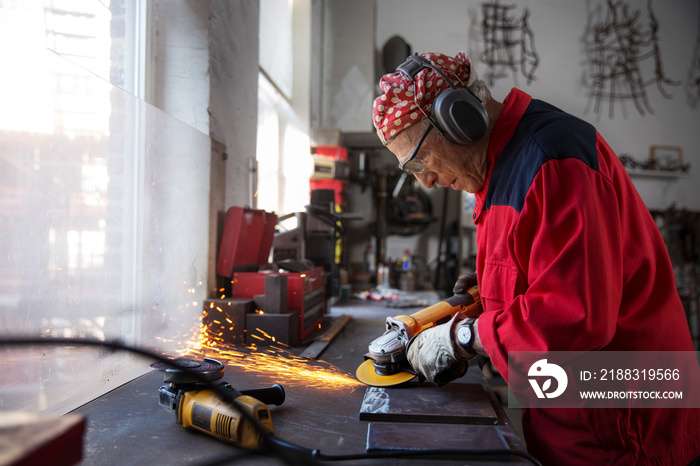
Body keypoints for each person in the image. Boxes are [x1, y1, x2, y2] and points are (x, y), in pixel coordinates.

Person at [371, 51, 700, 465]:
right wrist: (486, 289)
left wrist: (465, 338)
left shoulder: (552, 160)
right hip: (571, 414)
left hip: (624, 424)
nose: (426, 182)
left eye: (420, 159)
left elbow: (575, 314)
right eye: (411, 170)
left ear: (459, 118)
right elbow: (539, 267)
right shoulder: (499, 168)